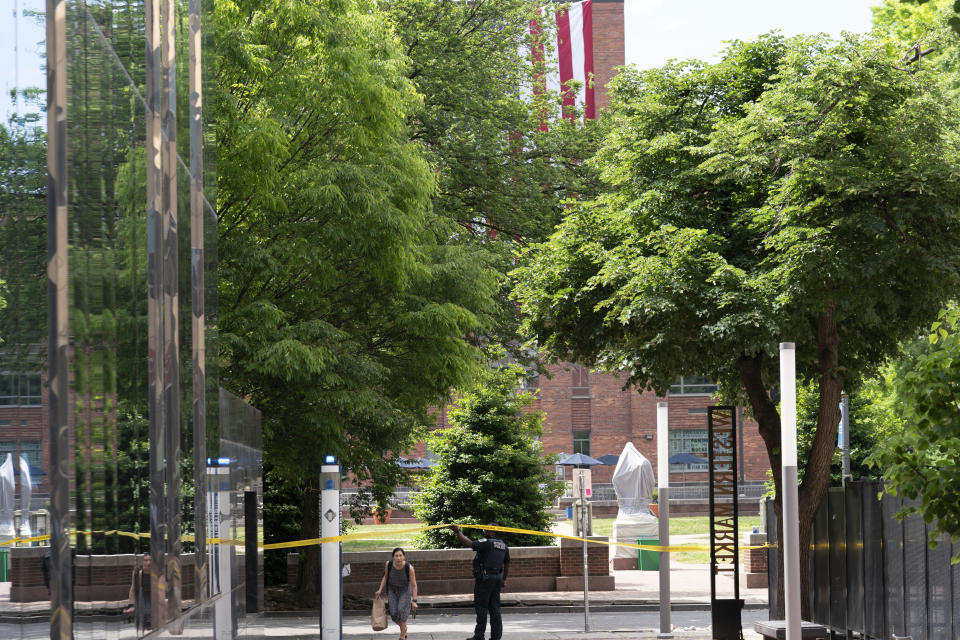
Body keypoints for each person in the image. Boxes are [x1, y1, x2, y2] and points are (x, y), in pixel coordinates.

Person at [450, 524, 510, 640]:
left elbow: (470, 544)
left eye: (486, 529)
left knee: (481, 607)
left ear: (492, 532)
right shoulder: (503, 545)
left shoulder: (487, 542)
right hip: (497, 577)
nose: (484, 530)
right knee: (495, 609)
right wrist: (504, 579)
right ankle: (496, 637)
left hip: (485, 579)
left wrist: (458, 532)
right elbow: (507, 563)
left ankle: (479, 636)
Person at [375, 547, 418, 640]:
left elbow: (414, 585)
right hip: (392, 590)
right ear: (393, 557)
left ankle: (402, 636)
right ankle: (404, 628)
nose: (398, 558)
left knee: (401, 611)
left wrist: (414, 601)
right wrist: (380, 589)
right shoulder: (388, 564)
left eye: (400, 556)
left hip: (405, 590)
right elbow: (385, 577)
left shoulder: (409, 568)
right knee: (393, 613)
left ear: (404, 557)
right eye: (396, 556)